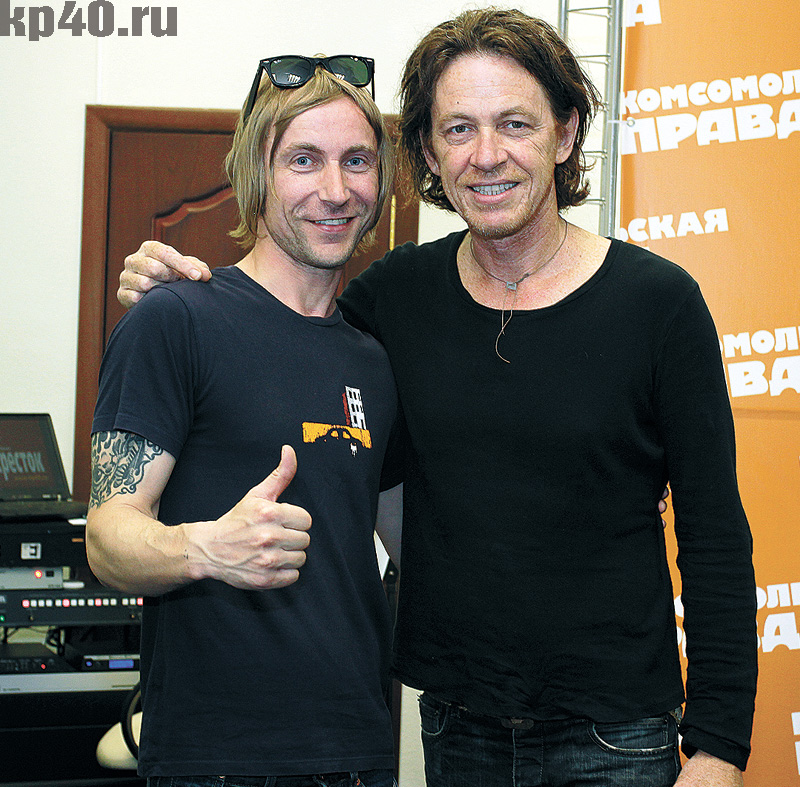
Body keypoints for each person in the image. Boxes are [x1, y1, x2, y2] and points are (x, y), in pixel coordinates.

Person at [118, 9, 757, 787]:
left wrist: (718, 746)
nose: (486, 155)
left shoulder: (659, 305)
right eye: (458, 129)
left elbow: (715, 537)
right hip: (458, 730)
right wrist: (168, 286)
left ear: (564, 134)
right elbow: (279, 329)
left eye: (515, 123)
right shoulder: (393, 301)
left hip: (617, 739)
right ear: (427, 151)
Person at [87, 56, 404, 787]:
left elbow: (409, 541)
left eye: (357, 161)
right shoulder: (175, 320)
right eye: (304, 159)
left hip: (356, 752)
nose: (336, 190)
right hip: (214, 760)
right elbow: (107, 539)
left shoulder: (374, 359)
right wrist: (205, 547)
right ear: (257, 174)